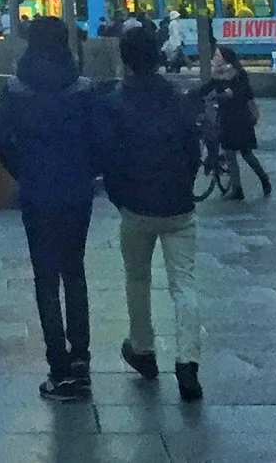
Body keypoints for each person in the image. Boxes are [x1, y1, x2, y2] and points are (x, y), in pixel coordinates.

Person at [0, 16, 104, 401]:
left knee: (45, 278)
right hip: (76, 192)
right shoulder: (81, 87)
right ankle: (81, 358)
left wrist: (23, 170)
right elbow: (100, 138)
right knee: (74, 271)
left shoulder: (17, 88)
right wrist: (87, 170)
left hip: (37, 193)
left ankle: (59, 367)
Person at [100, 25, 204, 402]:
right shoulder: (177, 98)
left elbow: (109, 158)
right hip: (178, 206)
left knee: (137, 278)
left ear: (125, 61)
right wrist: (183, 185)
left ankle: (142, 349)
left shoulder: (115, 103)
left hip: (137, 207)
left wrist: (121, 198)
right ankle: (187, 363)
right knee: (184, 284)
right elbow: (192, 152)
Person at [204, 46, 270, 199]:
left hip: (241, 120)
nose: (214, 58)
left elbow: (245, 93)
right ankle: (237, 189)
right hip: (225, 119)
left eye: (217, 55)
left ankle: (264, 179)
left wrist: (228, 94)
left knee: (247, 154)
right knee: (229, 155)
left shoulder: (239, 74)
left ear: (225, 58)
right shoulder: (217, 75)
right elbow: (207, 88)